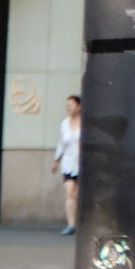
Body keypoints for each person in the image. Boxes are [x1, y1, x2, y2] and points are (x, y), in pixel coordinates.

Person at [54, 93, 82, 234]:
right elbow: (61, 144)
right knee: (70, 192)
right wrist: (56, 161)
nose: (68, 107)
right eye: (67, 105)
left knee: (78, 194)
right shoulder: (64, 124)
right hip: (68, 163)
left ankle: (81, 222)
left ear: (79, 107)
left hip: (82, 164)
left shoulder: (85, 123)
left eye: (71, 105)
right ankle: (71, 224)